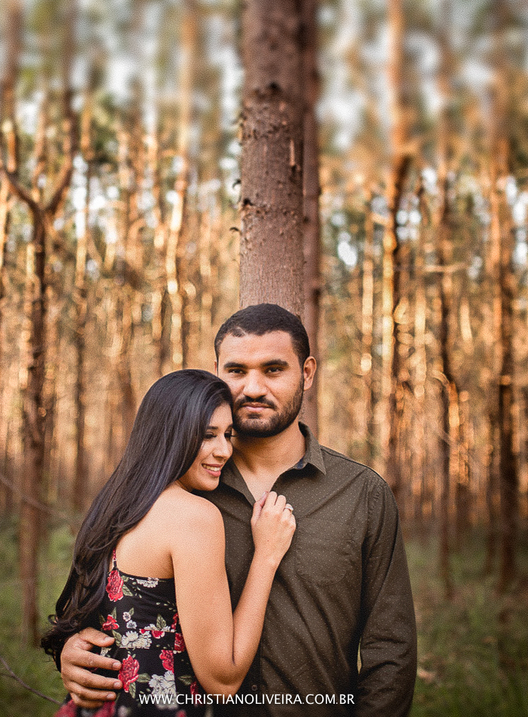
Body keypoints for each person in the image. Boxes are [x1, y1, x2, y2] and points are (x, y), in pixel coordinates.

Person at [58, 304, 417, 716]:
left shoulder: (361, 494)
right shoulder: (186, 492)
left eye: (273, 370)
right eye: (237, 371)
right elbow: (102, 599)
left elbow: (392, 648)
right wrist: (73, 650)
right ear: (217, 373)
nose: (253, 388)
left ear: (307, 373)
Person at [42, 368, 297, 716]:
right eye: (207, 435)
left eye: (227, 434)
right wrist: (266, 556)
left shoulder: (115, 507)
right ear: (170, 435)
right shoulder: (194, 517)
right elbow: (223, 681)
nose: (223, 450)